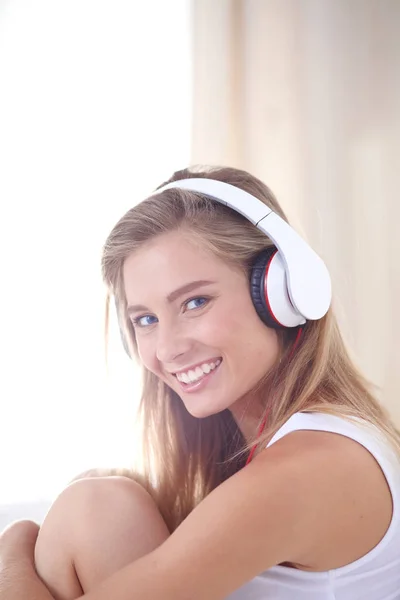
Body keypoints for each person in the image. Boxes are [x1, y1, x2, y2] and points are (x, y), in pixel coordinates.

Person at [1, 165, 400, 600]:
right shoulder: (285, 450)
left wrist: (13, 547)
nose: (168, 348)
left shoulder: (313, 467)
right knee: (97, 503)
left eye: (195, 302)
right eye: (146, 319)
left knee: (93, 507)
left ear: (281, 291)